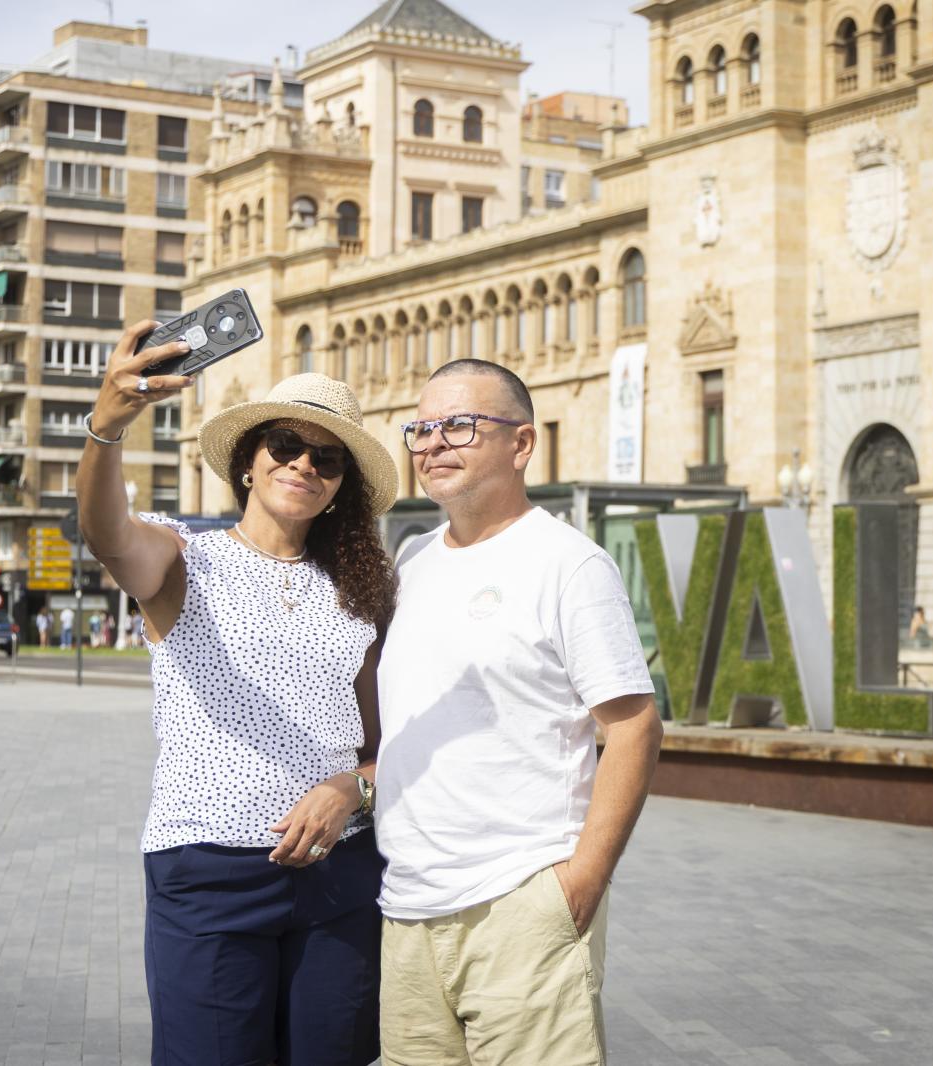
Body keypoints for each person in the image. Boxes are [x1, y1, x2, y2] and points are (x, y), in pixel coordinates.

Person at [75, 320, 400, 1066]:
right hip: (208, 873)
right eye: (284, 447)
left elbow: (383, 748)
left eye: (326, 458)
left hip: (339, 875)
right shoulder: (187, 559)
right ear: (249, 463)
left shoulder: (363, 591)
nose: (303, 466)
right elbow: (107, 533)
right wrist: (106, 429)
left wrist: (350, 789)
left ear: (341, 485)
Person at [378, 359, 663, 1065]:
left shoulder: (568, 564)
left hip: (522, 903)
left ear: (522, 444)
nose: (433, 443)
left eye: (460, 425)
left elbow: (632, 727)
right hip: (408, 912)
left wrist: (580, 884)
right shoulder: (412, 560)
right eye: (421, 428)